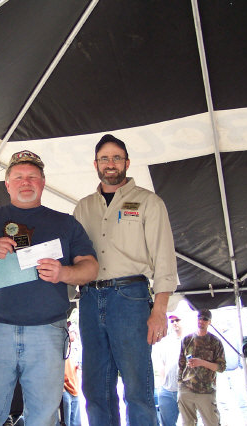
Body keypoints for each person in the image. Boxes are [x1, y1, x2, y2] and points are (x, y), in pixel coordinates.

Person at [0, 150, 98, 425]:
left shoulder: (65, 223)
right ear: (7, 184)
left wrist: (63, 272)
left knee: (43, 417)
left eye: (32, 177)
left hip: (47, 330)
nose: (25, 182)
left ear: (43, 182)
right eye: (18, 177)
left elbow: (90, 268)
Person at [73, 134, 178, 425]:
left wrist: (159, 311)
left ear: (127, 163)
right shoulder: (83, 207)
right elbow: (72, 258)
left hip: (130, 297)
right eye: (104, 158)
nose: (111, 163)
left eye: (116, 158)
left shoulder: (149, 202)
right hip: (89, 299)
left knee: (137, 388)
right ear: (95, 164)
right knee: (95, 389)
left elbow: (164, 258)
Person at [177, 309, 226, 426]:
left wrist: (202, 363)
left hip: (206, 391)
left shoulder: (215, 342)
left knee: (212, 423)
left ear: (209, 322)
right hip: (187, 389)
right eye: (199, 318)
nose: (201, 321)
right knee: (187, 423)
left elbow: (221, 367)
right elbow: (181, 364)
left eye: (205, 319)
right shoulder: (187, 339)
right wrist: (180, 385)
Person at [157, 315, 184, 426]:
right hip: (167, 390)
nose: (175, 323)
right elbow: (162, 364)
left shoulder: (191, 339)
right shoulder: (165, 341)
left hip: (186, 390)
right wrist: (162, 384)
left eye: (177, 320)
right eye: (172, 321)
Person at [60, 327, 81, 426]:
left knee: (75, 422)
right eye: (73, 332)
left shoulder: (74, 348)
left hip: (74, 389)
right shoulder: (61, 347)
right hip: (64, 389)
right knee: (66, 421)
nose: (75, 334)